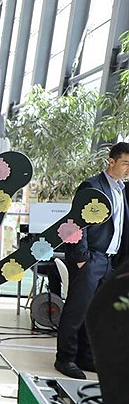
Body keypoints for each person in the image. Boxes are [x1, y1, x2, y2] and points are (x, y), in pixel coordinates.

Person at [59, 142, 129, 379]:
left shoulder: (121, 190)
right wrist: (82, 259)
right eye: (125, 163)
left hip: (110, 261)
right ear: (111, 161)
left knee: (96, 313)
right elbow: (76, 223)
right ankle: (65, 358)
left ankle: (86, 357)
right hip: (90, 260)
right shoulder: (92, 186)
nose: (128, 169)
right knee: (77, 311)